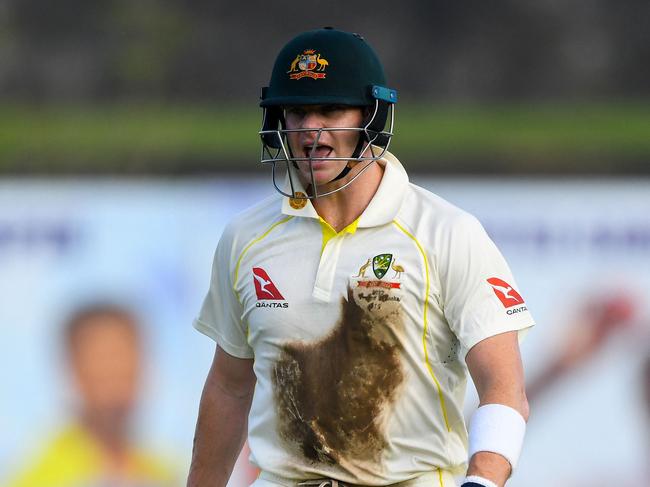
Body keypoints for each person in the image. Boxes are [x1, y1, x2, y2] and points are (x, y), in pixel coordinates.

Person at [188, 28, 534, 487]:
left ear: (370, 116)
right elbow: (230, 387)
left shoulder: (446, 233)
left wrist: (483, 482)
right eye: (298, 112)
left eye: (331, 110)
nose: (312, 131)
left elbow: (504, 388)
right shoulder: (246, 237)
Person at [6, 304, 177, 487]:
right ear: (74, 371)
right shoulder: (42, 475)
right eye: (104, 361)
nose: (117, 375)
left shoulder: (166, 471)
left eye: (126, 361)